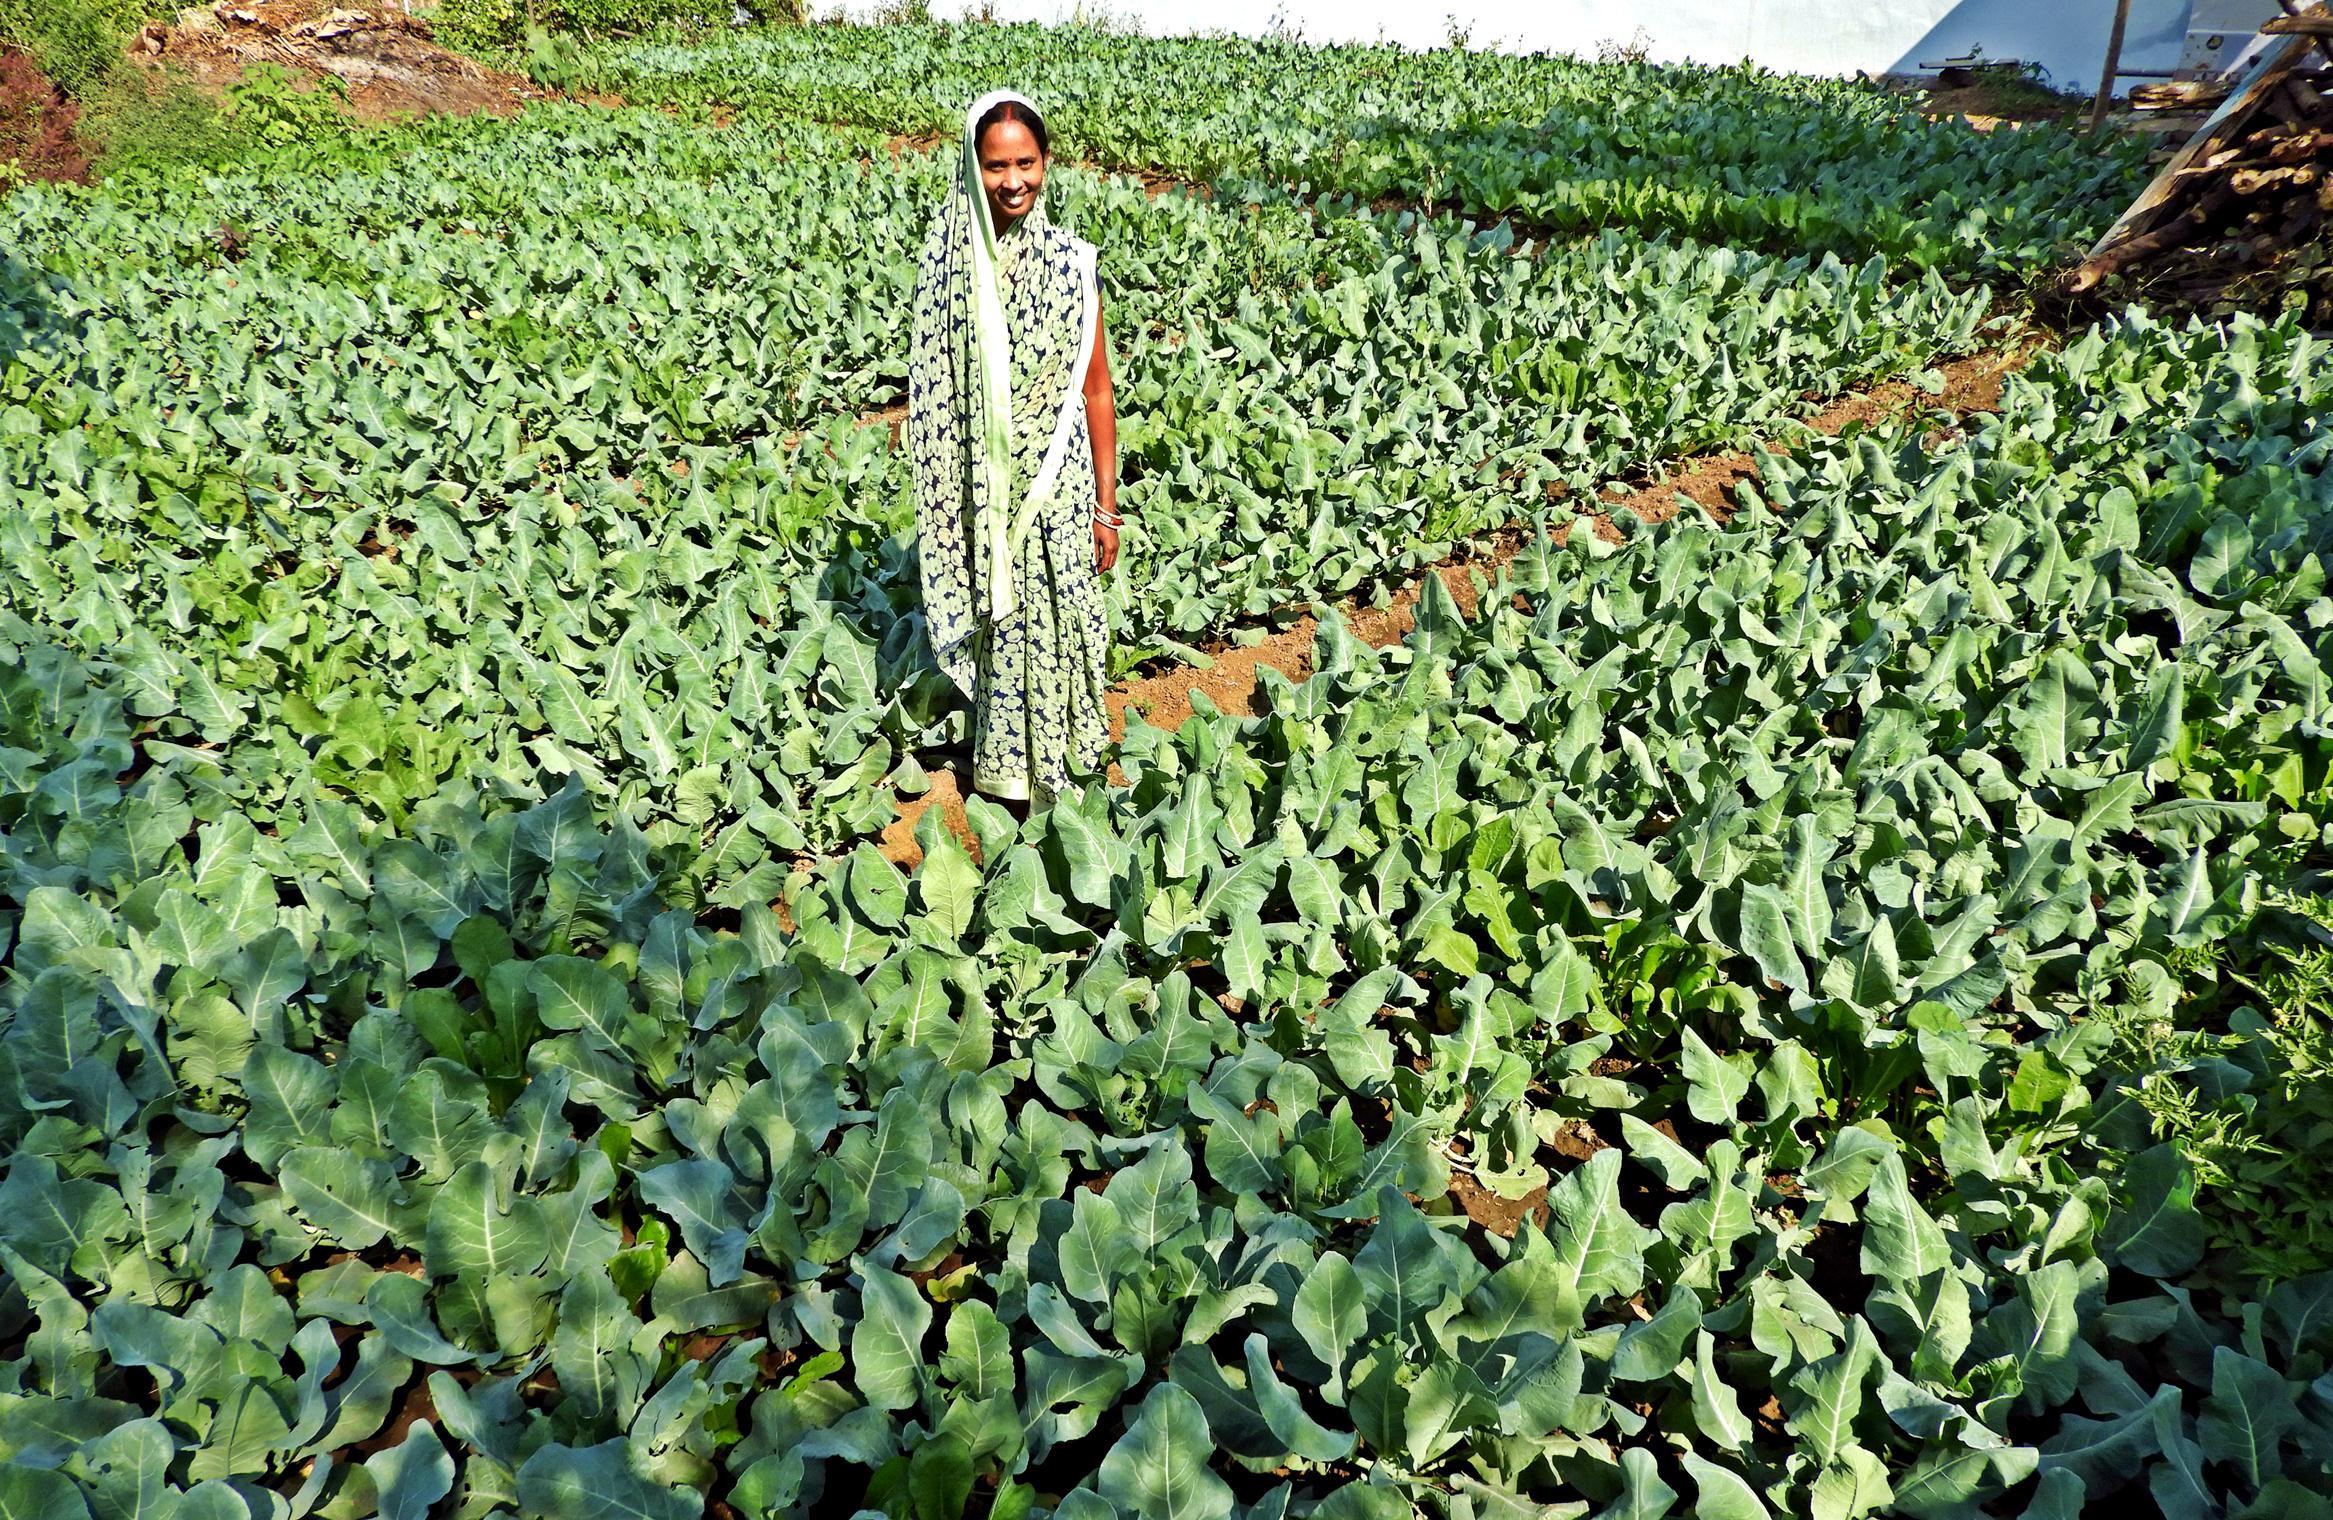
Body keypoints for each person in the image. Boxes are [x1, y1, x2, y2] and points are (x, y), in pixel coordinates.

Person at [908, 90, 1120, 810]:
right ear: (973, 167)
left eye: (1025, 162)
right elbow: (935, 392)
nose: (1012, 181)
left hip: (1057, 488)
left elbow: (1095, 390)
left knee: (1062, 621)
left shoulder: (1070, 264)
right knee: (1005, 627)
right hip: (984, 491)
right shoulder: (948, 269)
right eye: (995, 165)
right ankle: (1008, 774)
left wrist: (1107, 508)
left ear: (1046, 162)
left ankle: (1067, 765)